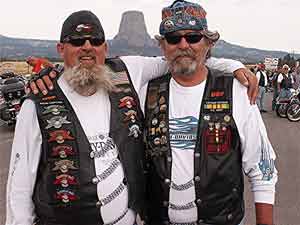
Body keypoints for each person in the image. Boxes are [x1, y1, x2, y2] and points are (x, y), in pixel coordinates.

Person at [6, 10, 256, 225]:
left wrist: (234, 66)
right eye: (77, 41)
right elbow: (19, 188)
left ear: (105, 47)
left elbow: (181, 57)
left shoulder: (127, 71)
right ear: (61, 49)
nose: (87, 47)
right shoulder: (38, 103)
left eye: (95, 40)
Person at [143, 1, 277, 225]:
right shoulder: (145, 91)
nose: (183, 44)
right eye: (173, 38)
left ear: (207, 43)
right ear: (163, 46)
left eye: (193, 37)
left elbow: (262, 169)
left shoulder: (236, 91)